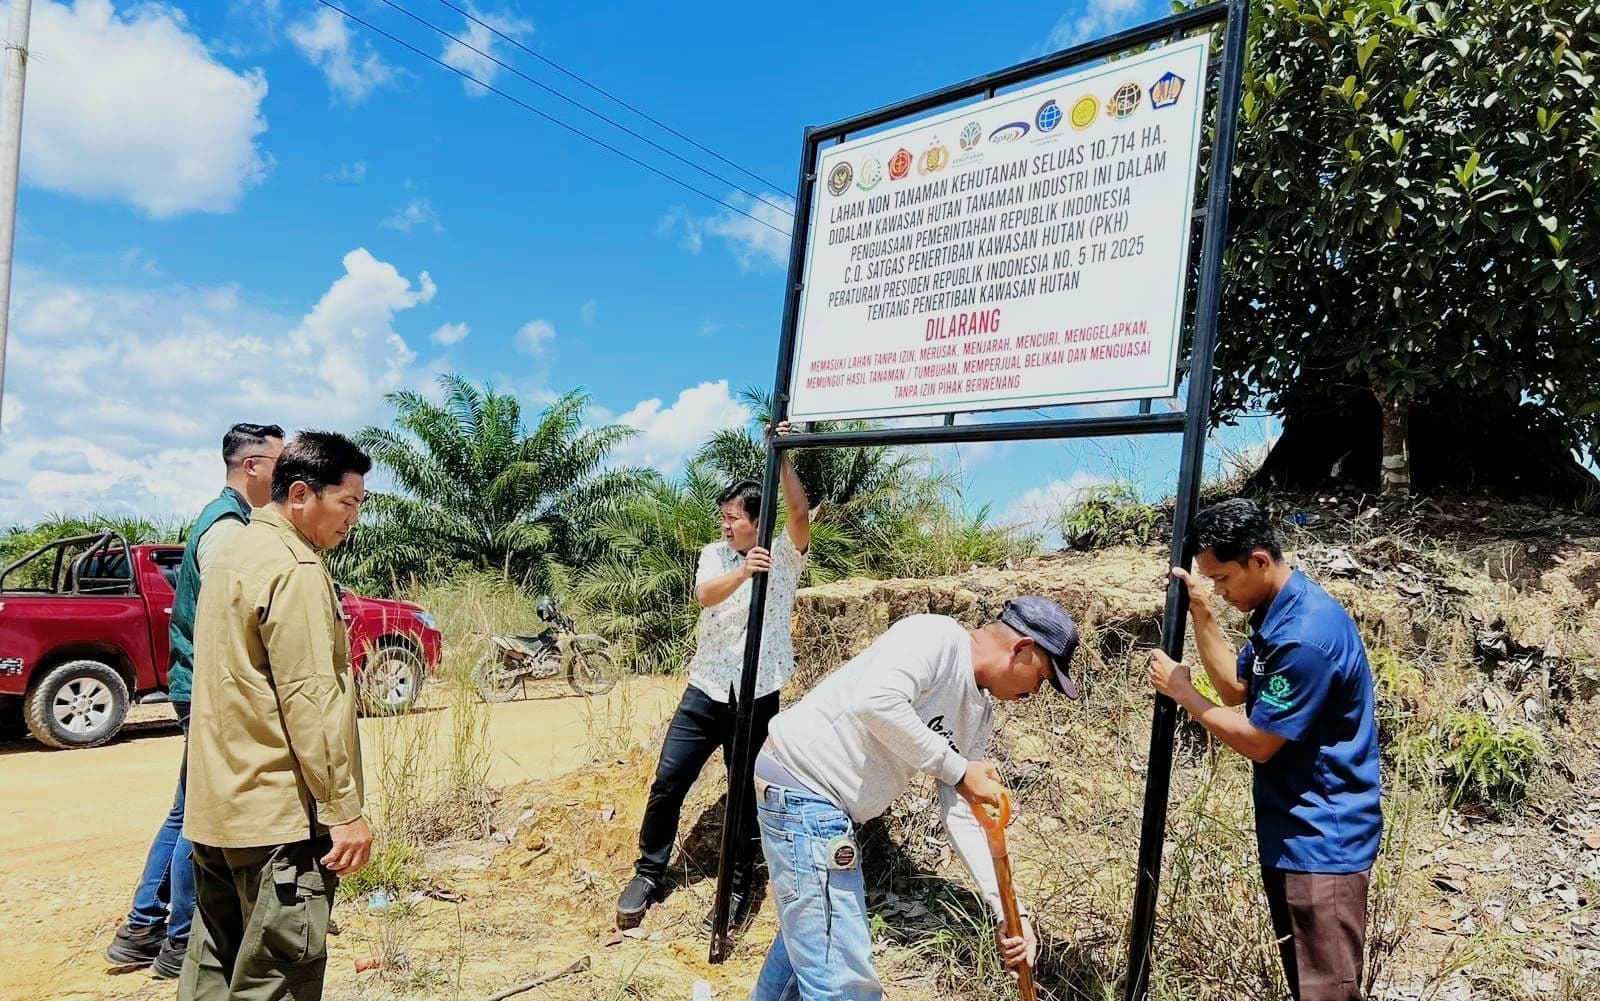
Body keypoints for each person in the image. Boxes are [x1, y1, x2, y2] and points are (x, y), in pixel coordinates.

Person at [751, 596, 1081, 1000]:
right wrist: (958, 769)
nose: (1037, 691)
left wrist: (1009, 913)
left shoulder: (979, 714)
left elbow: (962, 812)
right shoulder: (935, 638)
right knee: (843, 983)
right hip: (803, 790)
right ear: (1023, 649)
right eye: (1044, 678)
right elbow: (875, 702)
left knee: (807, 946)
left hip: (822, 807)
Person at [1146, 498, 1381, 1001]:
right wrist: (1203, 614)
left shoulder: (1304, 637)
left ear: (1258, 559)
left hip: (1322, 841)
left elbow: (1259, 743)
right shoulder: (1280, 611)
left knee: (1327, 994)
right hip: (1294, 831)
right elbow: (1236, 685)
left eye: (1223, 580)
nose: (1220, 590)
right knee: (1310, 985)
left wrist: (1185, 694)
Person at [178, 431, 374, 1001]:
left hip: (218, 811)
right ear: (300, 495)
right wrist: (343, 810)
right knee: (277, 980)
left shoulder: (235, 552)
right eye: (347, 503)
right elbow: (311, 700)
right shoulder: (296, 569)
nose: (352, 519)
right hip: (277, 821)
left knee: (214, 972)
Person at [105, 422, 285, 979]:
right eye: (281, 461)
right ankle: (181, 942)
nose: (290, 472)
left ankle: (141, 929)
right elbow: (238, 617)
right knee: (203, 815)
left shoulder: (224, 519)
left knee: (187, 808)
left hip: (198, 685)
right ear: (252, 466)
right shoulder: (230, 529)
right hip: (211, 687)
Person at [616, 422, 811, 932]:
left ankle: (738, 888)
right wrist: (745, 570)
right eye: (722, 518)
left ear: (755, 520)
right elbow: (705, 595)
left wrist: (782, 452)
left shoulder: (786, 554)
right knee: (668, 781)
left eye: (733, 518)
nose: (725, 526)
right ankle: (648, 872)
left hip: (757, 693)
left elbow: (795, 511)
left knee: (746, 795)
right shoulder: (715, 555)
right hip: (705, 688)